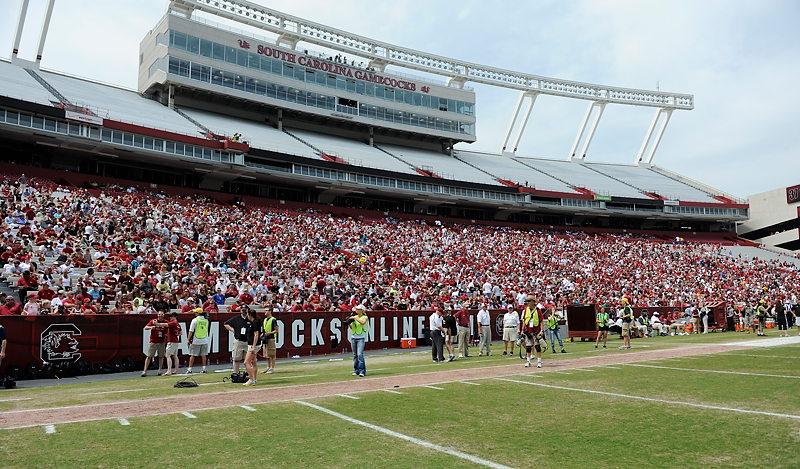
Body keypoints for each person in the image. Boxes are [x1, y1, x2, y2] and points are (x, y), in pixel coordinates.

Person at [519, 295, 545, 368]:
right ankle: (528, 361)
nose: (528, 303)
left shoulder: (538, 310)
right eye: (527, 301)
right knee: (528, 347)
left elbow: (541, 321)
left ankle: (539, 361)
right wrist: (522, 330)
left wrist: (541, 330)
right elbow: (524, 321)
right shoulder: (526, 310)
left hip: (536, 331)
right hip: (528, 331)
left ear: (533, 302)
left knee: (537, 346)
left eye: (529, 301)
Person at [224, 307, 251, 374]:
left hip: (248, 341)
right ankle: (236, 373)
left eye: (245, 310)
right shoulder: (236, 318)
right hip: (239, 341)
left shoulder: (250, 318)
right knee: (236, 358)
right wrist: (233, 330)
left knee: (248, 360)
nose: (243, 311)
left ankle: (249, 374)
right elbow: (226, 324)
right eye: (242, 310)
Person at [142, 311, 169, 377]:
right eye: (159, 314)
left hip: (161, 341)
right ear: (157, 315)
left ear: (163, 315)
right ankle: (145, 370)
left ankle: (160, 370)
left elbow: (171, 327)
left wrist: (167, 334)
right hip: (153, 341)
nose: (160, 316)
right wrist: (151, 327)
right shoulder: (153, 321)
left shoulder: (166, 322)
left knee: (161, 356)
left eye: (161, 314)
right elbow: (146, 327)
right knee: (149, 356)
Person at [186, 307, 210, 374]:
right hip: (204, 339)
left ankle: (190, 369)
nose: (194, 313)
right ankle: (204, 369)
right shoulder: (206, 320)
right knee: (203, 355)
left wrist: (188, 339)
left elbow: (191, 331)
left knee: (192, 355)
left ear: (198, 313)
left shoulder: (195, 320)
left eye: (195, 312)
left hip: (196, 340)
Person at [242, 308, 262, 386]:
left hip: (253, 345)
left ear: (250, 315)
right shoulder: (254, 322)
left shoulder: (254, 323)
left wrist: (253, 347)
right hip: (252, 344)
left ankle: (251, 379)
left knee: (246, 362)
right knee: (253, 361)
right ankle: (254, 378)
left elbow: (256, 335)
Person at [347, 304, 368, 376]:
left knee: (360, 354)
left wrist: (355, 319)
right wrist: (349, 322)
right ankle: (356, 370)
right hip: (353, 337)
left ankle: (362, 370)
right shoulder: (355, 317)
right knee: (355, 355)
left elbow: (363, 323)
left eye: (358, 309)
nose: (356, 310)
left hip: (361, 338)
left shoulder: (365, 317)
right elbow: (352, 327)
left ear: (362, 310)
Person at [163, 312, 182, 376]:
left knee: (168, 355)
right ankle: (176, 370)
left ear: (175, 317)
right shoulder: (178, 324)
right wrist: (174, 334)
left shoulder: (173, 323)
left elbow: (166, 325)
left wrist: (157, 324)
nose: (170, 318)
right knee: (174, 356)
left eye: (171, 316)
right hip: (175, 341)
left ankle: (169, 371)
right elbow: (180, 332)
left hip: (171, 341)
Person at [260, 308, 279, 374]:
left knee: (272, 354)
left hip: (270, 338)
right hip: (266, 338)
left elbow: (276, 330)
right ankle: (268, 367)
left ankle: (272, 368)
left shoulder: (273, 320)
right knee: (267, 354)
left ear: (270, 311)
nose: (265, 312)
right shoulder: (265, 320)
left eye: (266, 310)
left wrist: (269, 333)